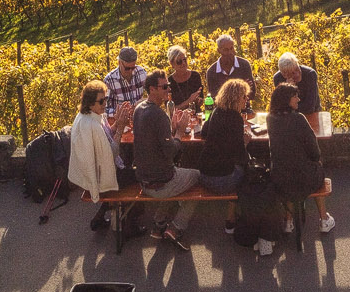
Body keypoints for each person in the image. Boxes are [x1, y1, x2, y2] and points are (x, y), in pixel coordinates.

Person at [129, 70, 199, 250]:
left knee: (179, 176)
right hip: (160, 183)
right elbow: (170, 152)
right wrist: (179, 132)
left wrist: (171, 130)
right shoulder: (158, 115)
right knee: (197, 179)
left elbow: (156, 141)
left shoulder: (140, 109)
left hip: (143, 179)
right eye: (165, 87)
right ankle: (176, 228)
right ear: (152, 89)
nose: (169, 89)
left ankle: (159, 223)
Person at [269, 82, 333, 241]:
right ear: (286, 99)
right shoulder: (299, 119)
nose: (298, 99)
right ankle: (324, 219)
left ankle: (288, 221)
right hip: (304, 178)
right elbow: (313, 149)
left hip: (280, 178)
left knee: (289, 175)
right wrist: (316, 160)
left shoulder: (271, 119)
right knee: (318, 170)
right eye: (295, 96)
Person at [69, 81, 131, 231]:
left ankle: (101, 216)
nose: (105, 104)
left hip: (95, 173)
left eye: (106, 99)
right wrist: (121, 126)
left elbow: (107, 135)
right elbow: (111, 154)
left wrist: (116, 123)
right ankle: (126, 226)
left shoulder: (92, 116)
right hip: (100, 178)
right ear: (90, 104)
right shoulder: (91, 125)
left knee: (130, 160)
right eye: (101, 101)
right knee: (141, 178)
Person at [197, 79, 252, 204]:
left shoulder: (216, 111)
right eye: (244, 96)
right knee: (249, 171)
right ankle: (234, 213)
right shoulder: (236, 118)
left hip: (205, 176)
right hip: (223, 181)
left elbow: (204, 132)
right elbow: (240, 155)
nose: (246, 99)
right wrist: (245, 141)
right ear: (236, 98)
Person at [273, 51, 323, 127]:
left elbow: (310, 107)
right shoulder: (278, 78)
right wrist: (287, 90)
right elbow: (280, 107)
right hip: (289, 118)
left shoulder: (310, 74)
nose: (296, 74)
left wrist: (289, 109)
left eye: (296, 69)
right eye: (290, 73)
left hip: (312, 115)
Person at [206, 35, 257, 105]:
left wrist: (224, 93)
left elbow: (252, 93)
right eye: (226, 50)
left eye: (232, 48)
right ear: (219, 51)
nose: (230, 52)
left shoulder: (244, 65)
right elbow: (215, 99)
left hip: (244, 110)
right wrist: (241, 89)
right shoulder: (212, 72)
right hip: (222, 112)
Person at [104, 46, 148, 121]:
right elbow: (104, 109)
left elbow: (152, 92)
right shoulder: (109, 80)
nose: (131, 71)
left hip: (139, 119)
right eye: (127, 68)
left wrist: (144, 102)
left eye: (133, 68)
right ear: (119, 63)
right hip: (119, 123)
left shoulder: (141, 73)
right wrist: (121, 113)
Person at [164, 46, 205, 111]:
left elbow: (201, 101)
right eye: (179, 61)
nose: (183, 63)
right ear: (172, 64)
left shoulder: (195, 76)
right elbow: (171, 110)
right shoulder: (169, 82)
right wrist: (189, 101)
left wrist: (199, 101)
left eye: (185, 60)